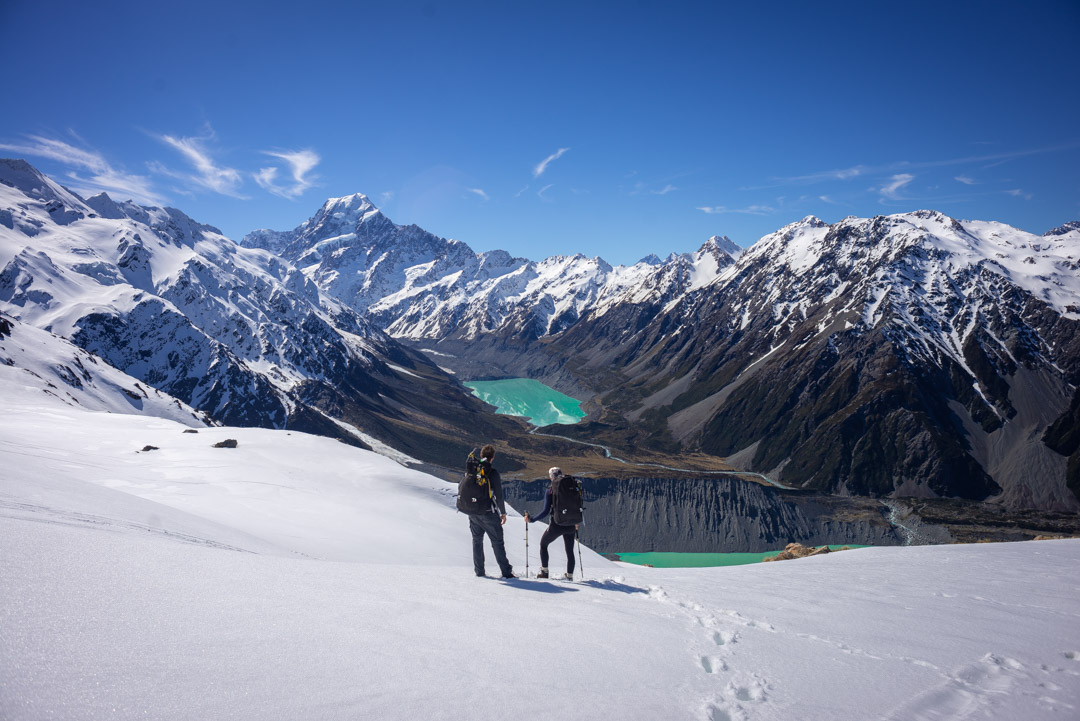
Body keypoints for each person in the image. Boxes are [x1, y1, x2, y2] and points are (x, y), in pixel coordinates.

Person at [467, 444, 515, 579]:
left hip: (473, 512)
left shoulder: (473, 469)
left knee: (477, 540)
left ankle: (479, 571)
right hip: (488, 512)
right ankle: (506, 572)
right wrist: (503, 513)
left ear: (481, 455)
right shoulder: (492, 472)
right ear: (492, 458)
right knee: (497, 542)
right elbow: (499, 495)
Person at [524, 466, 578, 580]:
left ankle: (545, 572)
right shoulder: (571, 487)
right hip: (571, 525)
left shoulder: (550, 491)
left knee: (543, 545)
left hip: (556, 525)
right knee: (569, 551)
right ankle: (570, 575)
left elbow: (545, 512)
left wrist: (532, 519)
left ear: (550, 477)